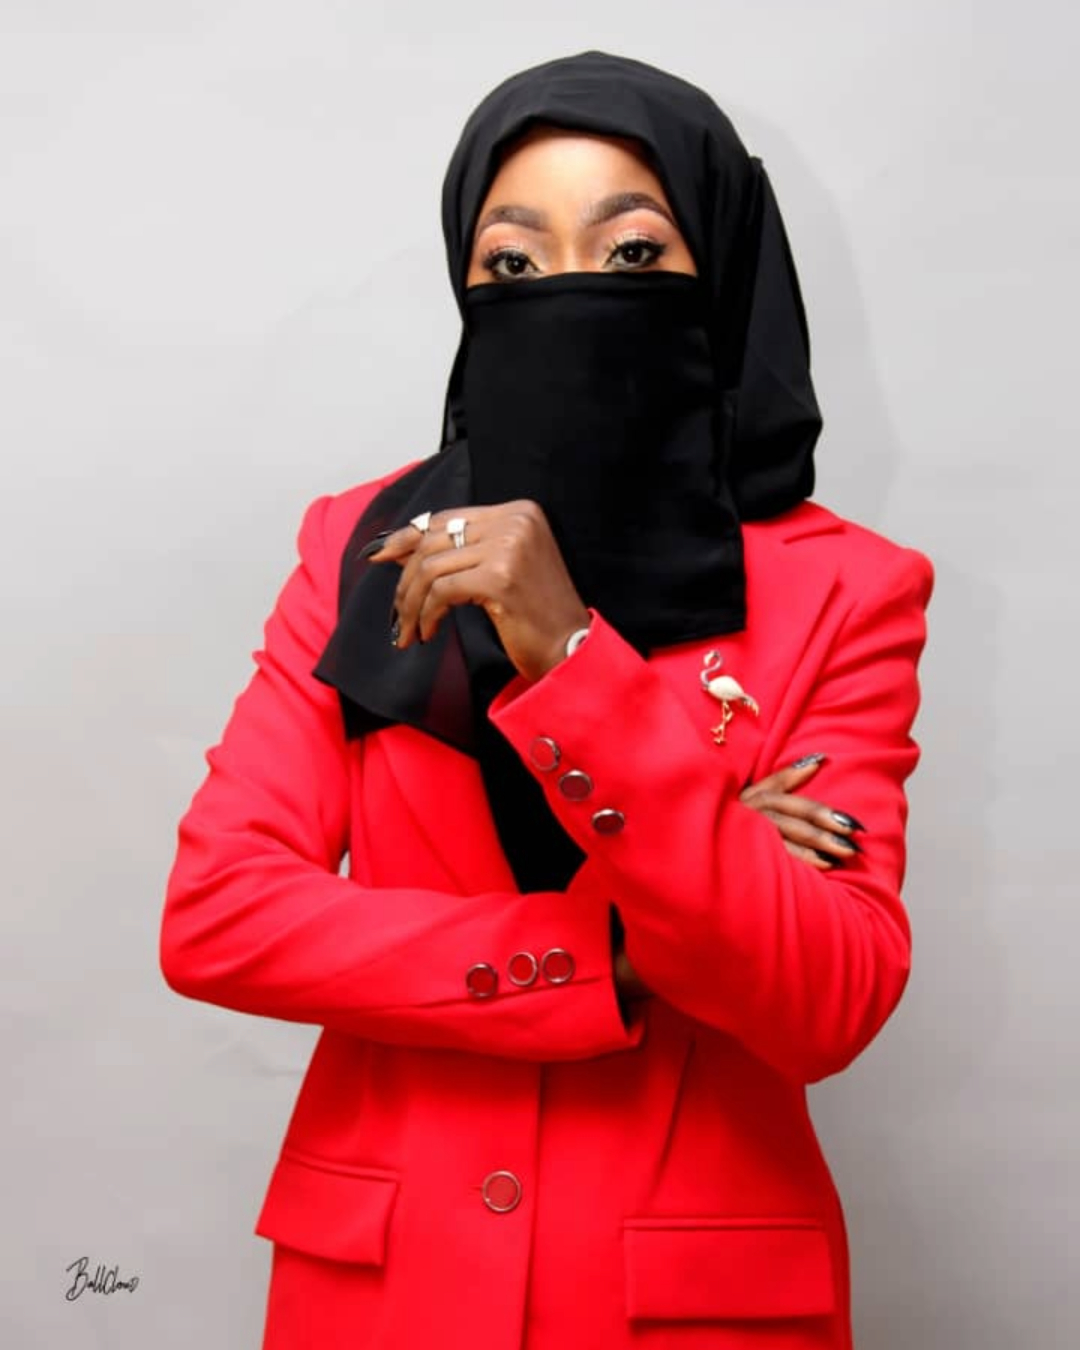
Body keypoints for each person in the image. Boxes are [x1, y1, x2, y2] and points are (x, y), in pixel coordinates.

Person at [160, 50, 932, 1350]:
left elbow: (827, 996)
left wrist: (571, 652)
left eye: (632, 255)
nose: (570, 296)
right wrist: (618, 946)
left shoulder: (844, 588)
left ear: (722, 272)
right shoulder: (366, 546)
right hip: (384, 1298)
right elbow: (217, 918)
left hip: (691, 1310)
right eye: (512, 264)